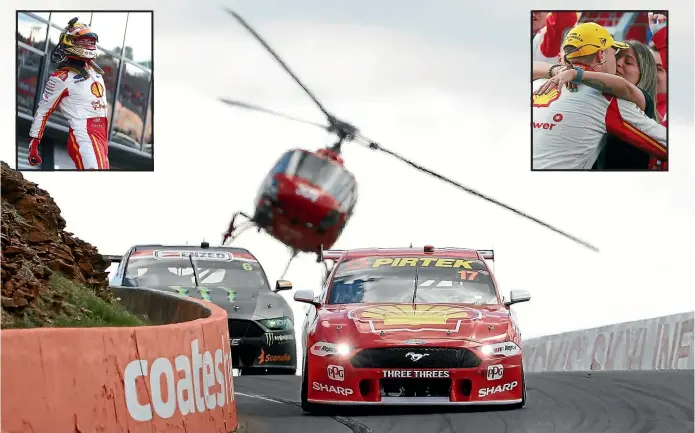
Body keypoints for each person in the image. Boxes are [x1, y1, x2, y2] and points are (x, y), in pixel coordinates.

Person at [532, 22, 667, 170]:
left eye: (628, 62)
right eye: (614, 54)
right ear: (601, 54)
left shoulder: (537, 84)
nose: (617, 63)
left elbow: (626, 88)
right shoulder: (606, 99)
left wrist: (576, 73)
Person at [28, 18, 110, 170]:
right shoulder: (60, 78)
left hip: (102, 136)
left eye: (91, 41)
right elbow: (43, 111)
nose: (89, 45)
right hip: (84, 136)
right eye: (84, 41)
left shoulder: (94, 70)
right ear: (70, 42)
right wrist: (34, 143)